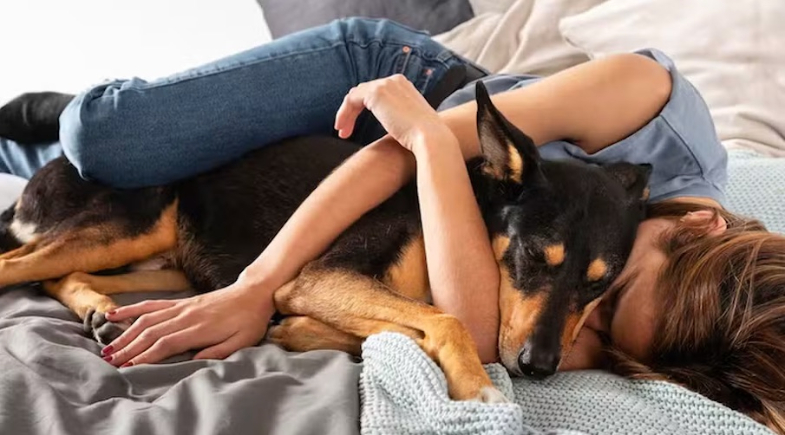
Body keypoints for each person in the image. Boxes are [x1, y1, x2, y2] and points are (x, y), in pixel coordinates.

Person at [1, 18, 783, 432]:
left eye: (601, 321)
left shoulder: (645, 321)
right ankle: (35, 125)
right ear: (700, 225)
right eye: (609, 294)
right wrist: (255, 285)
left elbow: (481, 335)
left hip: (428, 163)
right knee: (106, 139)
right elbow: (398, 148)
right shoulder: (644, 99)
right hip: (389, 88)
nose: (581, 327)